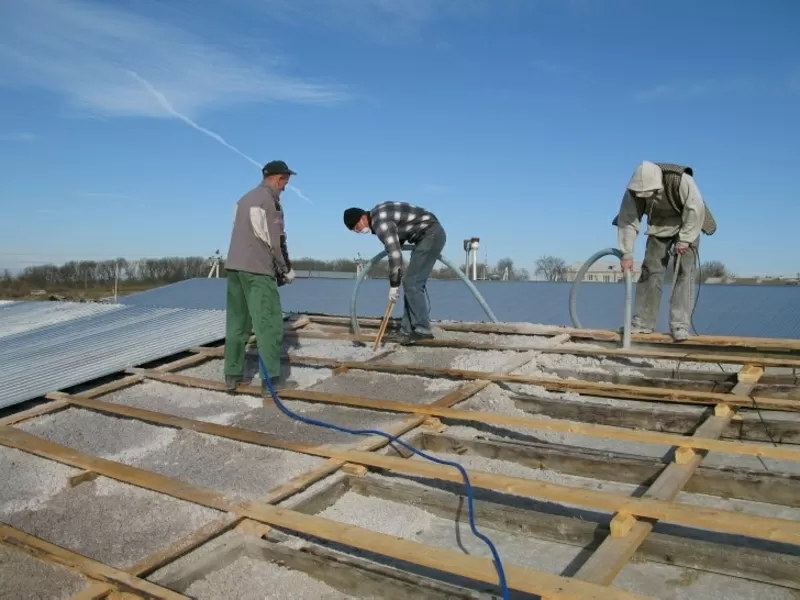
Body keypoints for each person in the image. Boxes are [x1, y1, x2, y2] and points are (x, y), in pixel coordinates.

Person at [613, 161, 716, 342]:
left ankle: (680, 324)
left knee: (684, 273)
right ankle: (643, 322)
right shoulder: (633, 190)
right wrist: (627, 254)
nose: (646, 197)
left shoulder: (680, 180)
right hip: (658, 225)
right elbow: (627, 220)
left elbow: (695, 210)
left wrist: (685, 239)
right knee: (650, 271)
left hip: (688, 223)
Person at [223, 160, 298, 394]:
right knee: (269, 324)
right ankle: (271, 380)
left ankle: (232, 375)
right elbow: (275, 241)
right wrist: (285, 269)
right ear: (278, 179)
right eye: (285, 182)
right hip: (258, 271)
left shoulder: (243, 200)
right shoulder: (270, 202)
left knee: (237, 322)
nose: (285, 187)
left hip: (235, 269)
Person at [343, 201, 446, 344]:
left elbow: (395, 254)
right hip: (427, 234)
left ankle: (423, 329)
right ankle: (407, 331)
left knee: (412, 283)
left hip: (430, 234)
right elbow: (399, 236)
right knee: (411, 284)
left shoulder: (380, 223)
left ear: (362, 218)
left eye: (356, 227)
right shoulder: (378, 213)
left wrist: (394, 285)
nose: (358, 231)